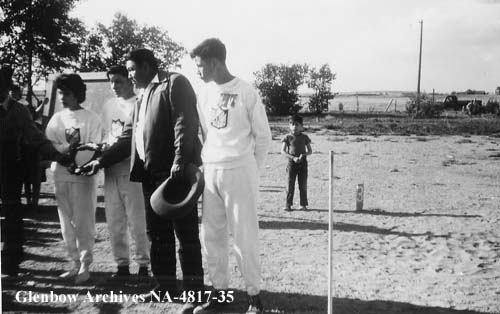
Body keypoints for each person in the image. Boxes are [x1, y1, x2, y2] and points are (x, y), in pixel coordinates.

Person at [82, 48, 204, 314]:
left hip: (175, 174)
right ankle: (165, 286)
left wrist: (180, 160)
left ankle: (195, 293)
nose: (130, 75)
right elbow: (128, 136)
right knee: (158, 235)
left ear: (147, 66)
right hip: (150, 176)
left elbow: (186, 121)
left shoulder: (174, 82)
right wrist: (100, 161)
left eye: (133, 69)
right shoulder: (143, 95)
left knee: (186, 235)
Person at [190, 38, 271, 314]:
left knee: (244, 236)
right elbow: (206, 133)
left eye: (200, 66)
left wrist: (250, 170)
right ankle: (219, 294)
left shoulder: (246, 91)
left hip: (240, 171)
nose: (198, 71)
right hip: (212, 169)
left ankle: (254, 297)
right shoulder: (204, 94)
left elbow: (263, 138)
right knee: (211, 236)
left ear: (214, 62)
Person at [79, 65, 150, 279]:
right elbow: (105, 136)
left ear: (130, 81)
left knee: (138, 221)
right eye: (111, 81)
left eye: (118, 81)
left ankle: (145, 266)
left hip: (133, 170)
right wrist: (96, 153)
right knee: (115, 220)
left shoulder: (140, 103)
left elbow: (133, 141)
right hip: (111, 170)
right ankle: (121, 266)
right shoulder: (109, 106)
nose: (113, 86)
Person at [0, 66, 60, 276]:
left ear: (8, 88)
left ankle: (11, 264)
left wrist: (57, 154)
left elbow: (34, 136)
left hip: (10, 169)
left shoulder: (19, 110)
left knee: (12, 216)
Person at [45, 73, 103, 285]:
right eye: (60, 93)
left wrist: (79, 158)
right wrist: (65, 152)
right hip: (61, 175)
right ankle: (73, 263)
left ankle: (85, 264)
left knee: (83, 221)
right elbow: (50, 144)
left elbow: (95, 145)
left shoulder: (91, 118)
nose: (62, 97)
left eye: (67, 93)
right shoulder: (56, 119)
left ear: (78, 94)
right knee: (65, 222)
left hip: (83, 178)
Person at [281, 114, 312, 211]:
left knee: (302, 184)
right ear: (289, 126)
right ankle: (288, 204)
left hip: (303, 163)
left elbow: (310, 151)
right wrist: (293, 158)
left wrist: (304, 155)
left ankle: (303, 204)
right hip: (292, 163)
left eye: (297, 124)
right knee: (290, 184)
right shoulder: (287, 137)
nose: (294, 127)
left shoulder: (305, 137)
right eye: (292, 124)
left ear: (302, 126)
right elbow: (282, 151)